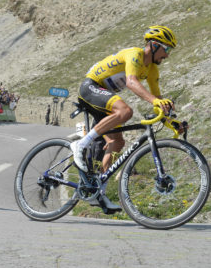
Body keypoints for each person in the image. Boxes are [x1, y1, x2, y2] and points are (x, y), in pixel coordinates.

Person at [70, 26, 182, 211]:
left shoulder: (152, 70)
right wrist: (155, 101)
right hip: (91, 86)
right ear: (154, 45)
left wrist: (172, 122)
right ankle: (80, 144)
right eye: (167, 49)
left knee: (117, 143)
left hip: (103, 96)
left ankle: (98, 192)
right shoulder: (135, 54)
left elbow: (157, 101)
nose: (167, 55)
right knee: (125, 111)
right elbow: (131, 82)